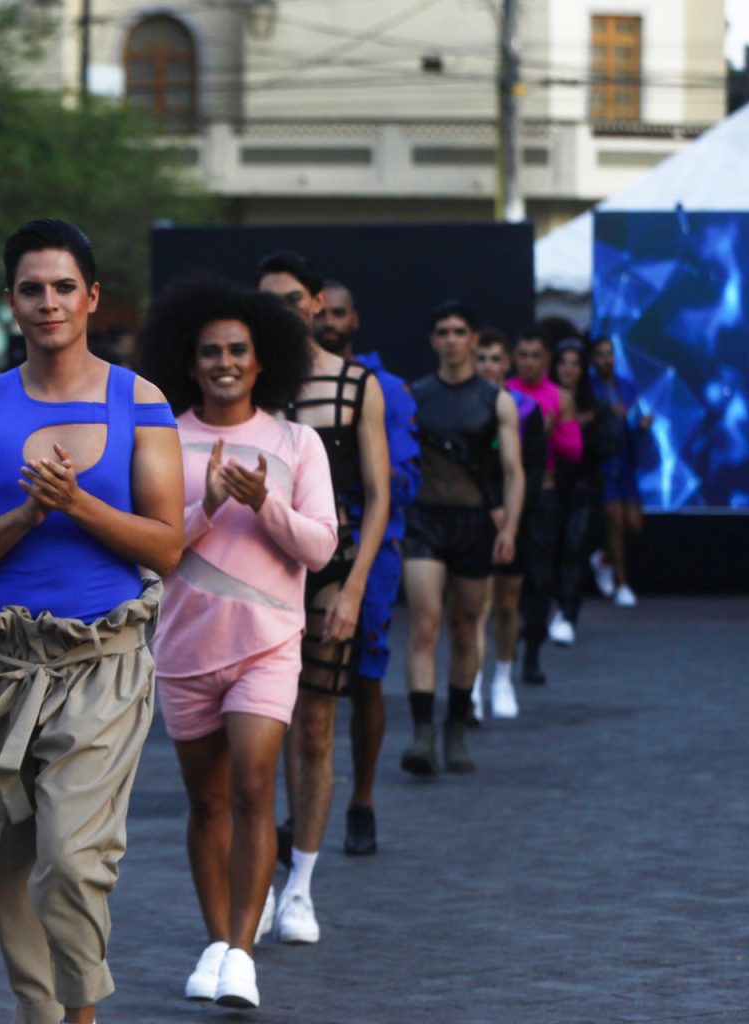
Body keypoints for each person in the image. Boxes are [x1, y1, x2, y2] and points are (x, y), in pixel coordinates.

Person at [0, 219, 182, 1024]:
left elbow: (168, 545)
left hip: (103, 660)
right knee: (10, 864)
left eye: (63, 287)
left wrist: (76, 501)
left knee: (73, 860)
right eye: (32, 289)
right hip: (3, 666)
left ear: (92, 298)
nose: (49, 303)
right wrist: (25, 518)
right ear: (12, 303)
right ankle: (39, 1014)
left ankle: (81, 1013)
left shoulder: (139, 401)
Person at [139, 278, 333, 1008]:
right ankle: (215, 941)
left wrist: (266, 505)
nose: (224, 362)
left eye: (238, 351)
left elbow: (319, 546)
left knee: (255, 784)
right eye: (210, 352)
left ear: (262, 361)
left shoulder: (295, 441)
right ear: (190, 363)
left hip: (269, 644)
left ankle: (244, 952)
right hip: (184, 650)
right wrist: (210, 502)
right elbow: (150, 550)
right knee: (207, 801)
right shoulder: (161, 440)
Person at [257, 252, 387, 941]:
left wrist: (357, 586)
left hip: (331, 571)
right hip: (262, 572)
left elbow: (378, 494)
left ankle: (301, 884)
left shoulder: (357, 385)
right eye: (267, 298)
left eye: (289, 297)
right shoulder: (249, 382)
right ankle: (262, 879)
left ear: (315, 303)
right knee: (262, 728)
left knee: (313, 727)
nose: (279, 308)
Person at [312, 280, 419, 857]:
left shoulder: (385, 390)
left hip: (369, 548)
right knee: (300, 683)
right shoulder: (288, 385)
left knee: (367, 676)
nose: (329, 321)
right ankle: (306, 808)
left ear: (355, 320)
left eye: (339, 313)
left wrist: (357, 468)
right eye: (320, 312)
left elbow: (404, 479)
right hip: (299, 545)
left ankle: (364, 799)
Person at [400, 301, 522, 775]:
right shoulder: (416, 396)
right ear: (433, 340)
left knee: (466, 627)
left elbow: (514, 471)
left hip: (473, 524)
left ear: (473, 339)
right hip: (425, 521)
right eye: (443, 331)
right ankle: (422, 734)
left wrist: (508, 527)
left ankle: (454, 727)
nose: (451, 339)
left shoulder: (496, 400)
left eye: (459, 331)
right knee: (426, 625)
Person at [469, 329, 545, 721]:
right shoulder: (464, 405)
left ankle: (503, 678)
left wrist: (510, 518)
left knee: (506, 602)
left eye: (495, 359)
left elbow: (530, 471)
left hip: (514, 518)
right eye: (481, 358)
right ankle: (474, 688)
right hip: (475, 514)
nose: (487, 366)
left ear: (506, 364)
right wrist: (488, 506)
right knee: (474, 605)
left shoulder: (526, 409)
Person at [504, 329, 581, 684]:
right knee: (505, 580)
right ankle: (505, 651)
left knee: (539, 576)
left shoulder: (559, 397)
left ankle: (532, 653)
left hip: (544, 495)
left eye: (537, 355)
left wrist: (549, 432)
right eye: (524, 354)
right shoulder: (504, 393)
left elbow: (574, 452)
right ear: (514, 358)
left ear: (546, 360)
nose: (530, 362)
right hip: (507, 496)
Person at [548, 339, 604, 645]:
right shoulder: (541, 399)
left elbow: (607, 449)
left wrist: (580, 428)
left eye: (575, 363)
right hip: (547, 488)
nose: (569, 369)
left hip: (582, 489)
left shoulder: (595, 404)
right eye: (563, 362)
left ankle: (567, 614)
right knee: (548, 551)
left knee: (573, 550)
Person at [588, 336, 649, 608]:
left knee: (634, 525)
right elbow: (585, 423)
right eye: (600, 354)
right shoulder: (588, 389)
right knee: (615, 521)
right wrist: (606, 414)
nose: (606, 359)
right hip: (603, 462)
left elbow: (633, 419)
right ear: (592, 360)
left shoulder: (628, 387)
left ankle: (603, 559)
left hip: (626, 460)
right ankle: (622, 585)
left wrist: (642, 425)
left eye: (609, 354)